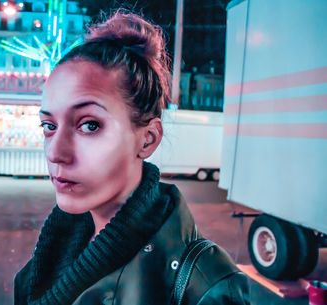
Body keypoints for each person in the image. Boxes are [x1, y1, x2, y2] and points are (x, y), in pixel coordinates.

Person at [14, 12, 249, 305]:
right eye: (49, 126)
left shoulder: (206, 286)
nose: (55, 153)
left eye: (89, 125)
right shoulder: (54, 249)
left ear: (148, 139)